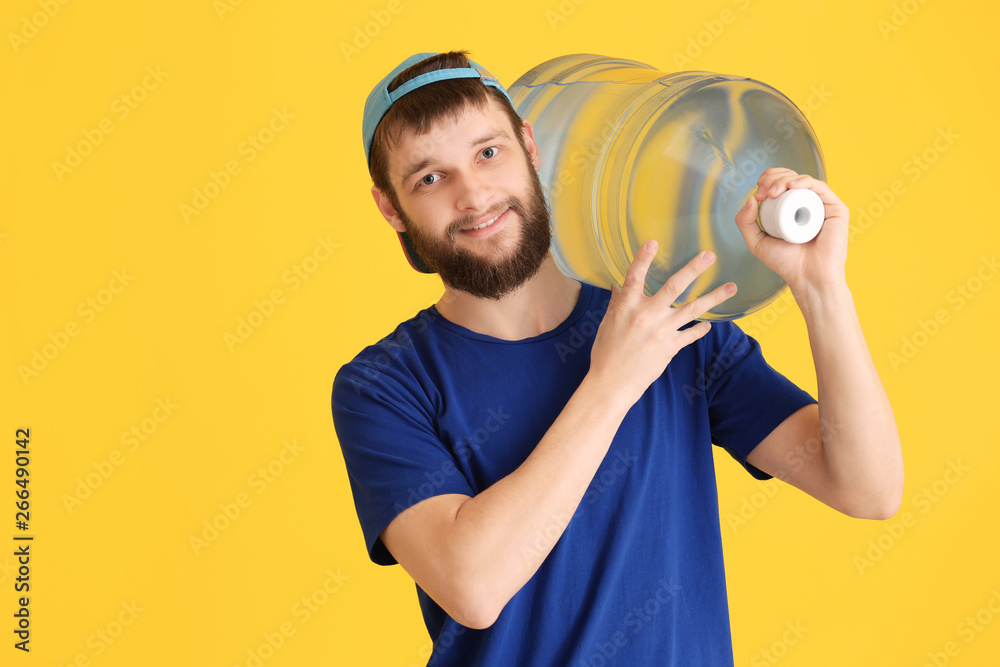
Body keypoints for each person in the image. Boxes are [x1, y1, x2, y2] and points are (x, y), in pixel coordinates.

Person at [332, 50, 903, 666]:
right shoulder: (384, 386)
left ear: (528, 144)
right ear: (391, 208)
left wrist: (822, 290)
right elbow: (473, 586)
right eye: (429, 178)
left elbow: (867, 489)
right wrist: (611, 384)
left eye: (487, 152)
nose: (474, 195)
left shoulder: (669, 323)